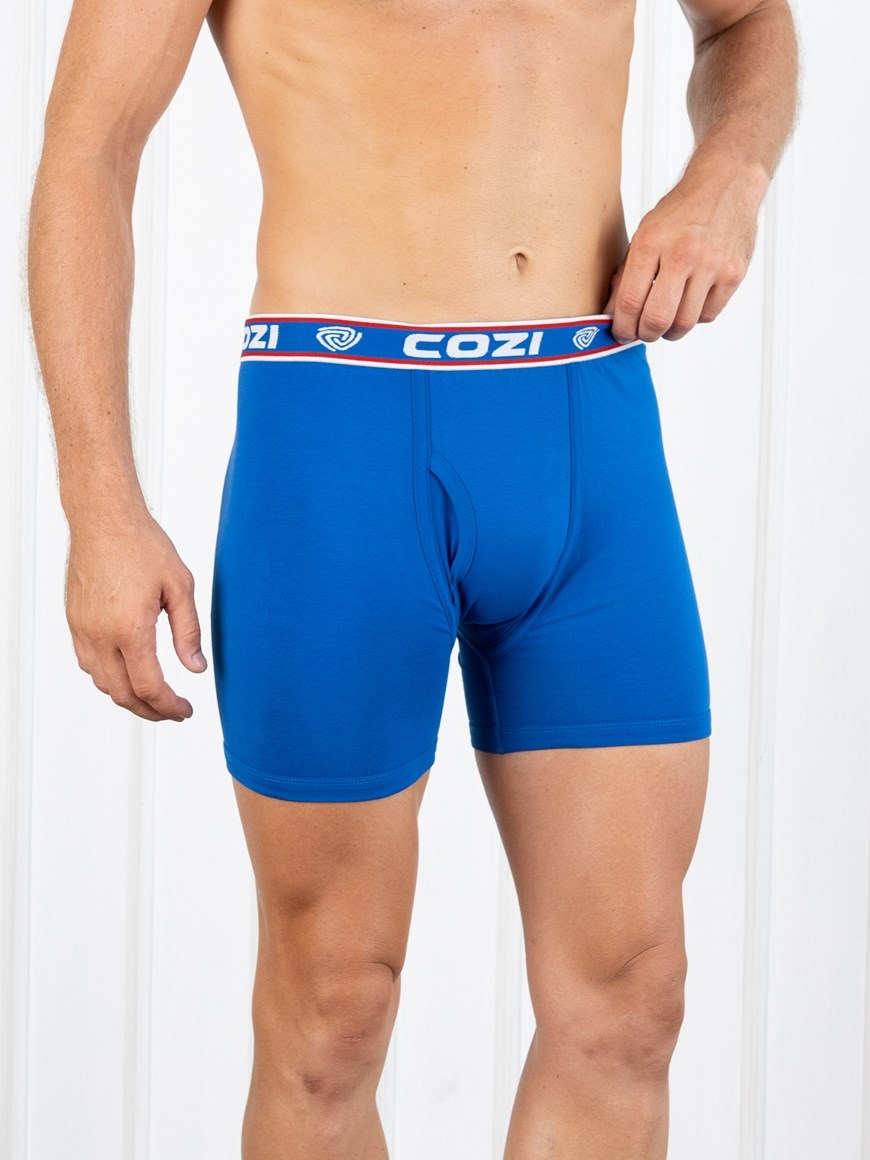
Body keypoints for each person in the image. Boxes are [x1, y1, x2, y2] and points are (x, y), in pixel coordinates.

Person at [26, 0, 798, 1153]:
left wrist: (729, 170)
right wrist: (100, 506)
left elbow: (745, 22)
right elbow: (89, 149)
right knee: (330, 1013)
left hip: (590, 432)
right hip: (340, 441)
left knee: (633, 995)